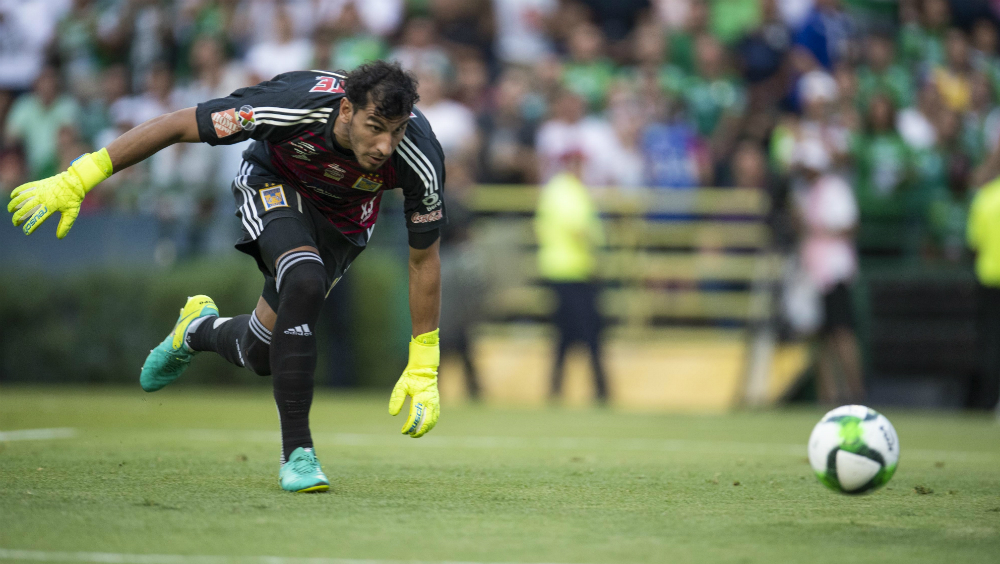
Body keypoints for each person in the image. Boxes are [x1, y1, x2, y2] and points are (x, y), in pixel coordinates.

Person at [6, 61, 446, 493]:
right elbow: (178, 125)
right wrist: (81, 176)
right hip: (274, 184)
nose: (386, 145)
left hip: (343, 225)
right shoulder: (289, 106)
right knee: (305, 278)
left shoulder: (419, 156)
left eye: (397, 131)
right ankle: (298, 454)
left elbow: (424, 259)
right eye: (375, 127)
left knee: (260, 352)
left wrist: (424, 361)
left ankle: (196, 330)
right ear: (347, 110)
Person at [534, 149, 609, 403]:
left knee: (565, 335)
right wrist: (596, 246)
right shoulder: (566, 191)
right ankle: (601, 389)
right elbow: (578, 227)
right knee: (590, 333)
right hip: (571, 270)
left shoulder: (561, 190)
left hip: (565, 269)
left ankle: (556, 388)